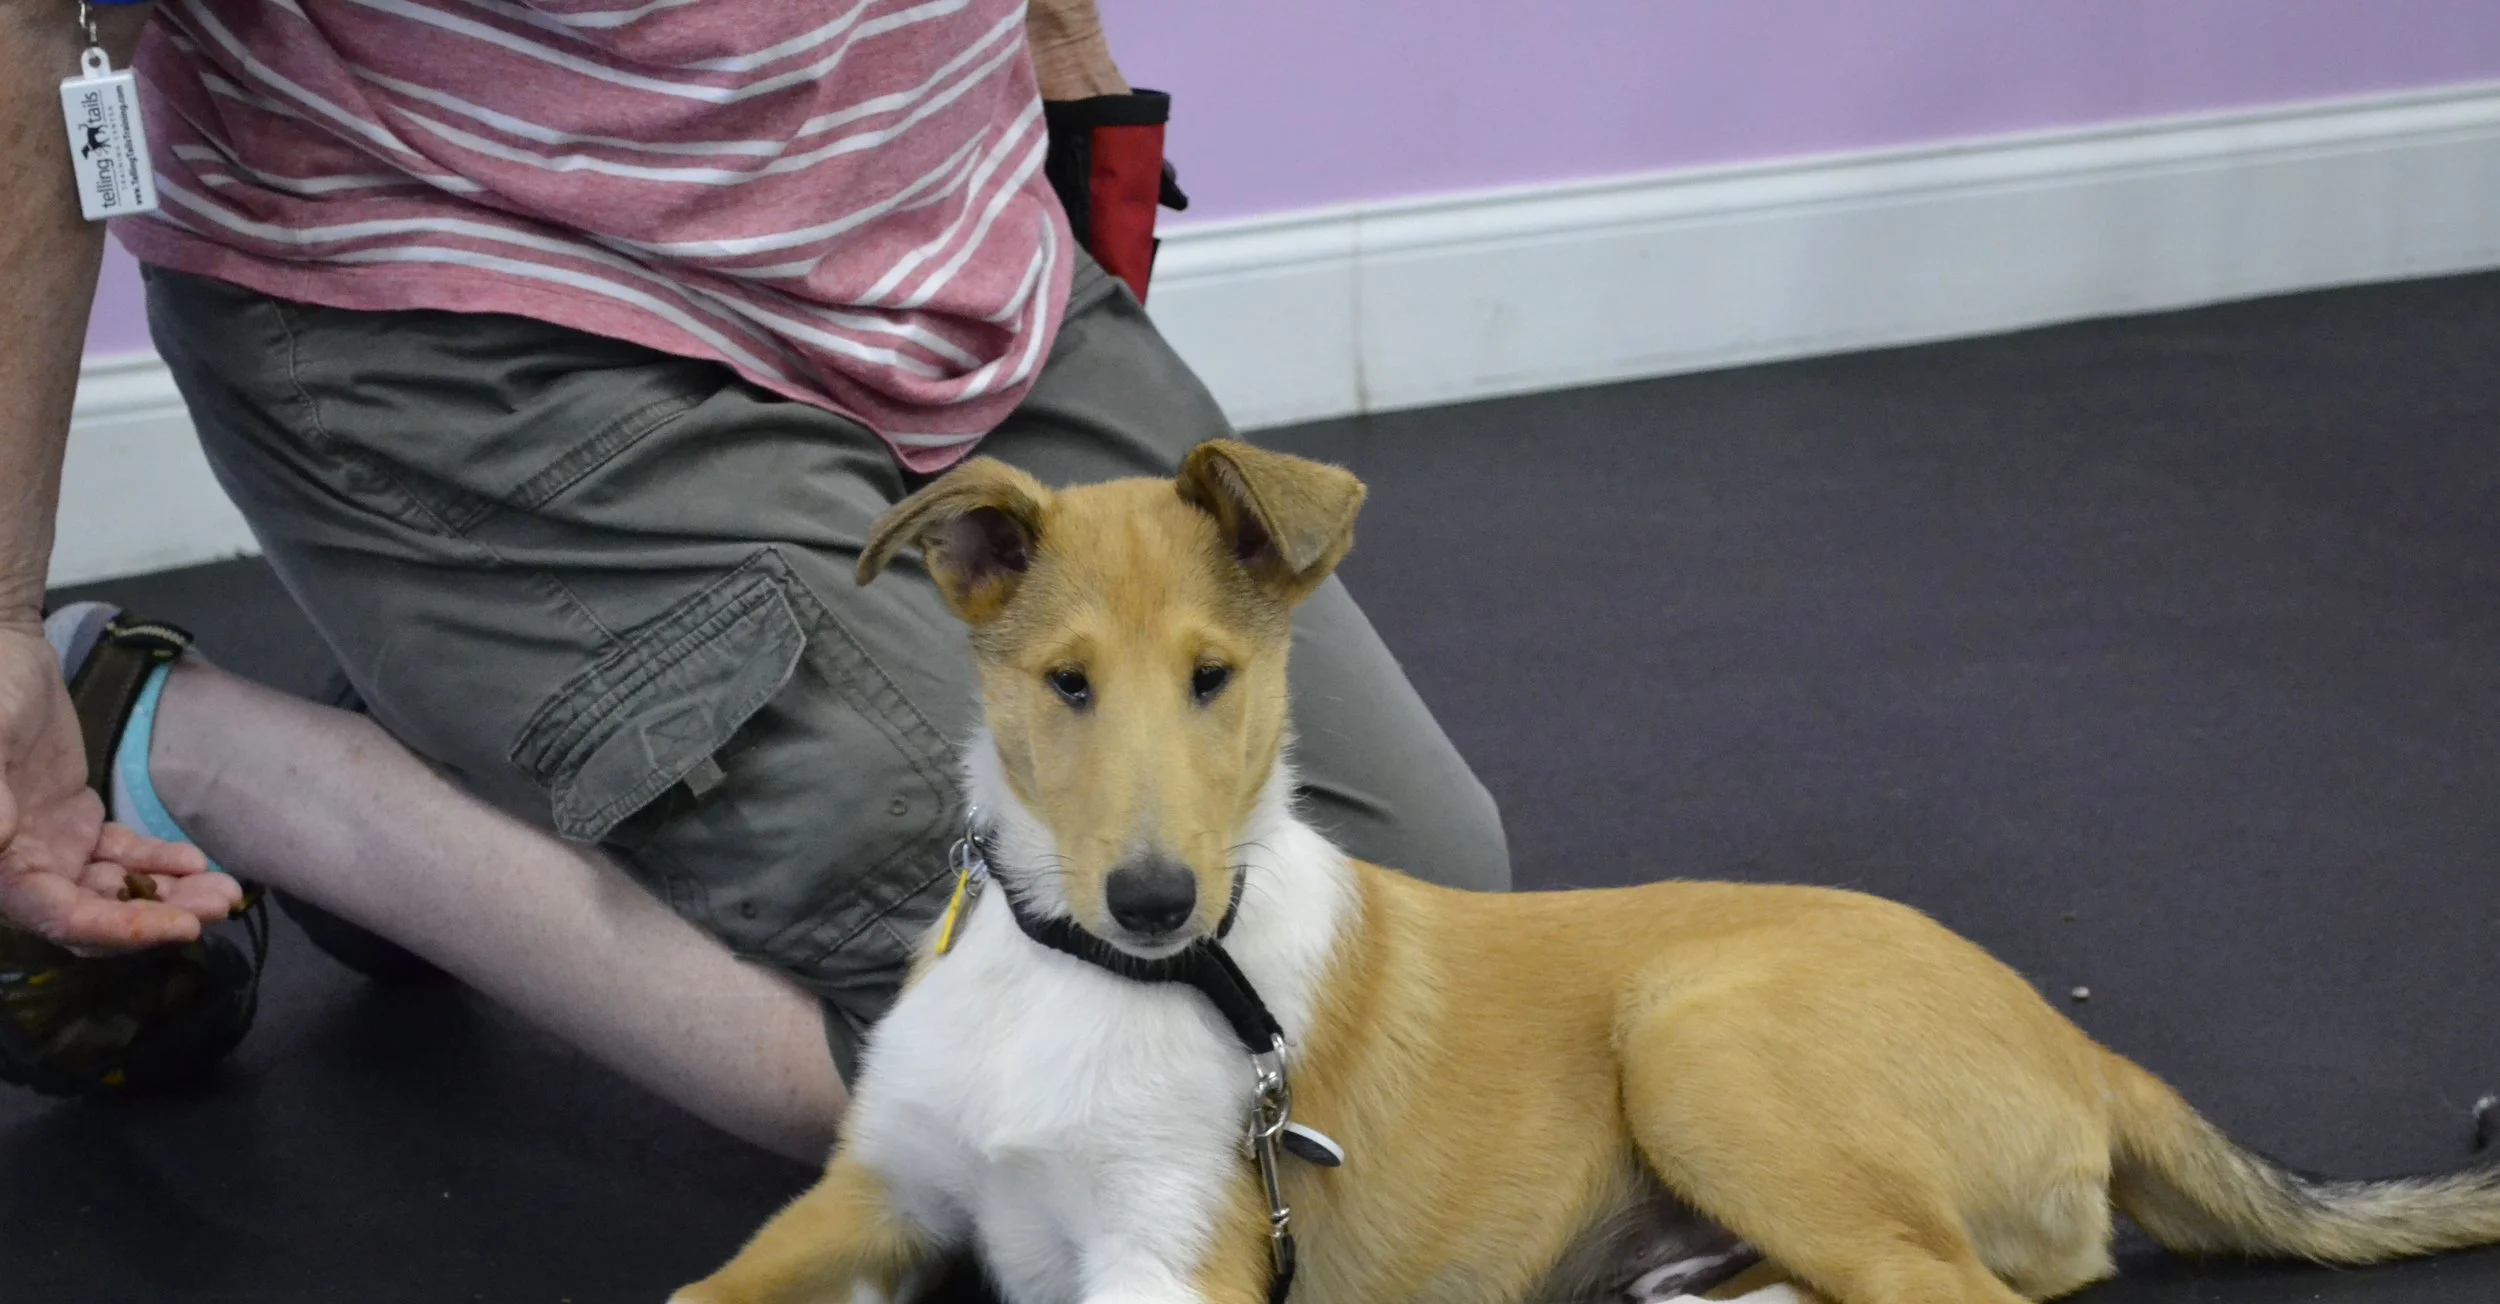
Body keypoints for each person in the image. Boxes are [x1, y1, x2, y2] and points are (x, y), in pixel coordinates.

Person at [0, 0, 1507, 1159]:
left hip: (935, 267)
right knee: (1038, 1056)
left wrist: (1068, 98)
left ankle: (456, 691)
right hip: (482, 315)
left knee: (1406, 925)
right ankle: (193, 745)